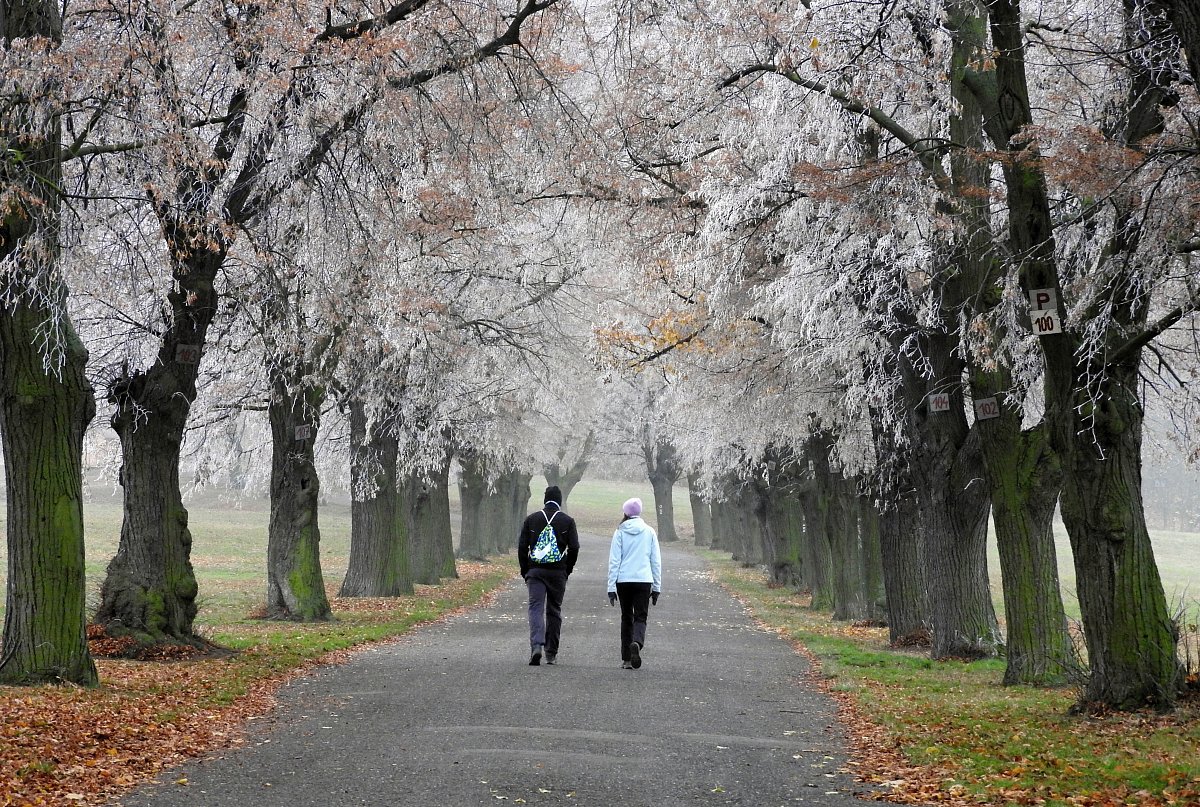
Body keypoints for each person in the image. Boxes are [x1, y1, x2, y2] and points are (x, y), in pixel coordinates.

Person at [518, 485, 579, 666]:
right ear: (559, 501)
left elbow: (522, 547)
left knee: (535, 607)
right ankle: (551, 653)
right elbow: (574, 547)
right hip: (557, 573)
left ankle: (536, 645)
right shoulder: (568, 521)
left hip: (535, 571)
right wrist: (567, 569)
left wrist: (525, 570)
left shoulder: (532, 519)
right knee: (554, 610)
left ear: (545, 500)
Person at [606, 497, 662, 670]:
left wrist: (611, 587)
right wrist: (657, 587)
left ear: (625, 513)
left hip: (624, 580)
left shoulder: (620, 532)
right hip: (644, 580)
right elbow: (655, 561)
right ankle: (637, 642)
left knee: (626, 617)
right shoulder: (649, 532)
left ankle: (627, 659)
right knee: (640, 616)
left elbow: (614, 561)